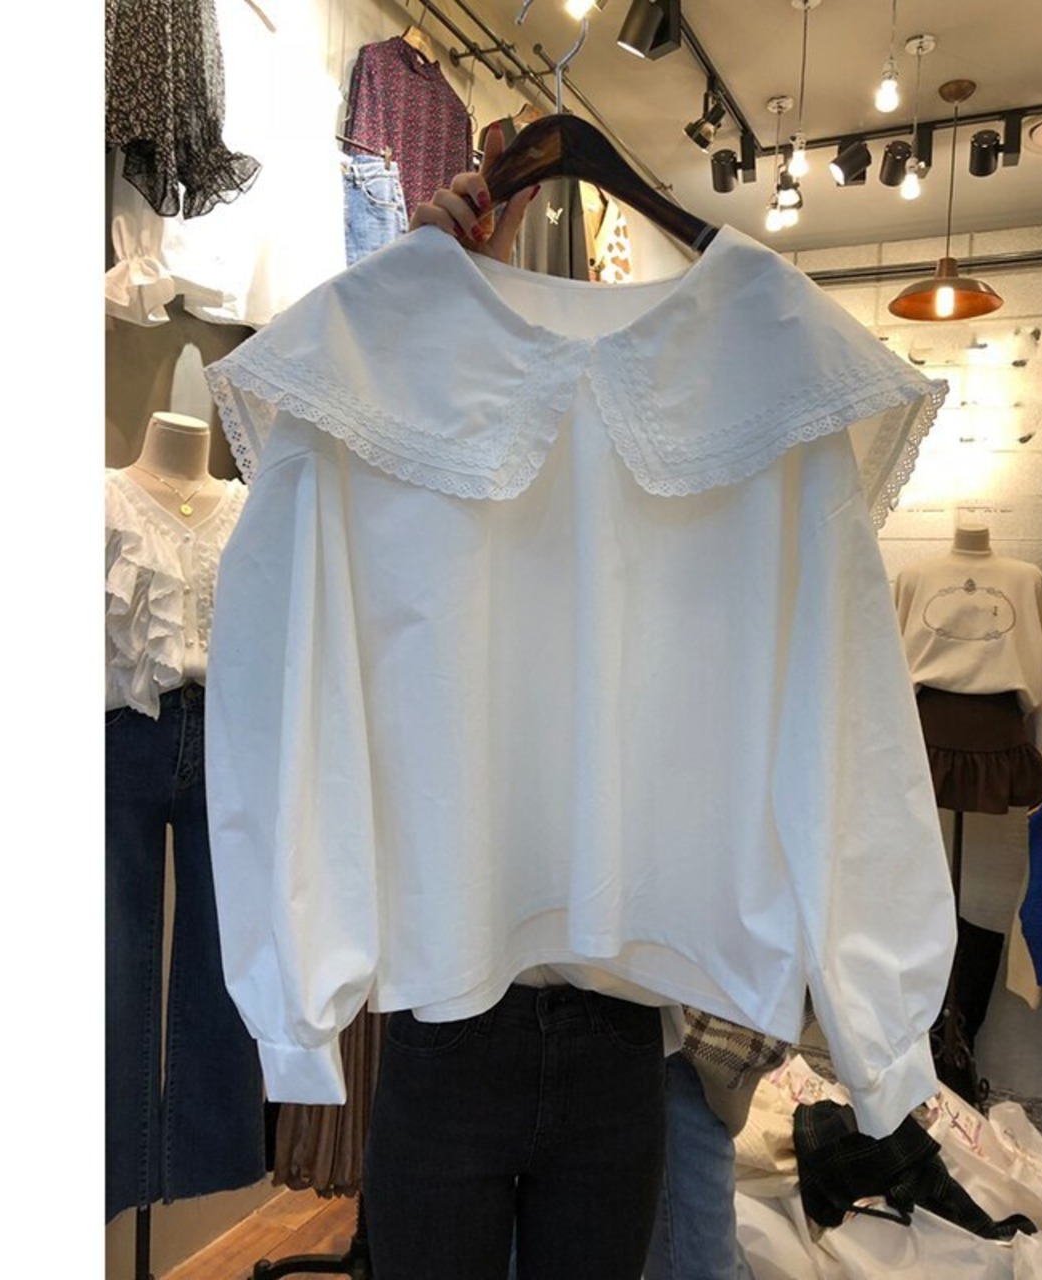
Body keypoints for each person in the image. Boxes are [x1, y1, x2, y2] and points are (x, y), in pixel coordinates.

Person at [409, 127, 768, 1280]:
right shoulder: (423, 402)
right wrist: (426, 297)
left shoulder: (710, 414)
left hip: (624, 1009)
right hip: (451, 993)